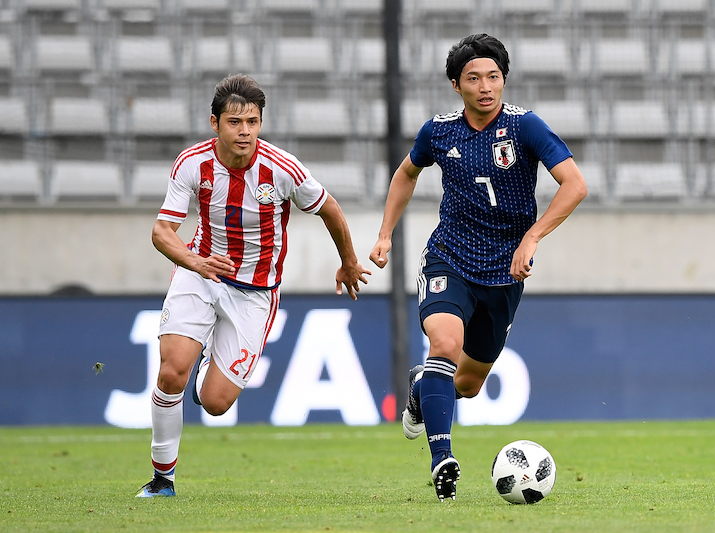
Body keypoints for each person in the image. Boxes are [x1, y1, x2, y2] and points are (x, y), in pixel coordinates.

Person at [369, 34, 587, 502]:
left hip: (504, 273)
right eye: (474, 78)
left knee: (466, 383)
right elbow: (407, 172)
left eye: (493, 76)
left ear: (503, 80)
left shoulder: (525, 127)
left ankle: (419, 389)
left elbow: (574, 184)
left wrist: (532, 236)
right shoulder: (439, 132)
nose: (485, 86)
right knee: (444, 343)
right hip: (450, 255)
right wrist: (386, 233)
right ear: (456, 85)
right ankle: (441, 460)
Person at [136, 74, 371, 498]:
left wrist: (349, 263)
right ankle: (161, 479)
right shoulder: (192, 163)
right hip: (200, 272)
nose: (244, 131)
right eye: (234, 122)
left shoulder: (283, 169)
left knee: (216, 403)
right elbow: (161, 231)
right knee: (171, 371)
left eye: (252, 122)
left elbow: (330, 210)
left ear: (260, 123)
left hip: (255, 292)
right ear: (215, 123)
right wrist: (194, 261)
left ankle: (208, 364)